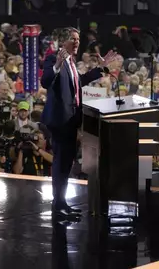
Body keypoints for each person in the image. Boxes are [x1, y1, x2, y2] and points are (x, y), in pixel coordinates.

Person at [41, 27, 117, 218]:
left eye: (78, 39)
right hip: (60, 121)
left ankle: (62, 203)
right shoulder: (54, 59)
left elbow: (79, 81)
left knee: (66, 164)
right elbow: (45, 81)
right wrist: (57, 65)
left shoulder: (72, 62)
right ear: (63, 41)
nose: (77, 42)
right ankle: (58, 207)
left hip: (71, 120)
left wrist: (101, 69)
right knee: (60, 164)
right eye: (73, 39)